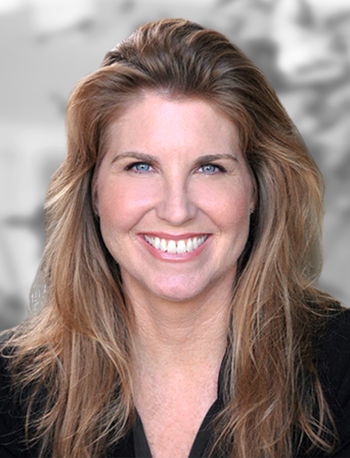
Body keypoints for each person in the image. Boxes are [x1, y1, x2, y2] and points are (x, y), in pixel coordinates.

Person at [0, 18, 349, 458]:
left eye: (210, 168)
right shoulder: (10, 391)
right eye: (141, 166)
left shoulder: (340, 371)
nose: (176, 209)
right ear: (93, 191)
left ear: (257, 189)